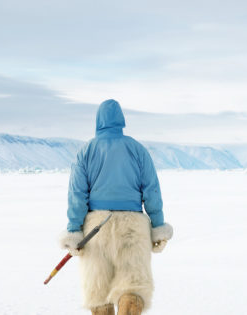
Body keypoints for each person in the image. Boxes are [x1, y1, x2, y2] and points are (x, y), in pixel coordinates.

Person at [60, 99, 173, 315]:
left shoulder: (86, 151)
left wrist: (74, 230)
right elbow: (152, 192)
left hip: (95, 229)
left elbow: (76, 195)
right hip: (133, 227)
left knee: (98, 293)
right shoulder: (137, 150)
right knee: (133, 288)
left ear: (98, 121)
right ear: (121, 120)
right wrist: (157, 226)